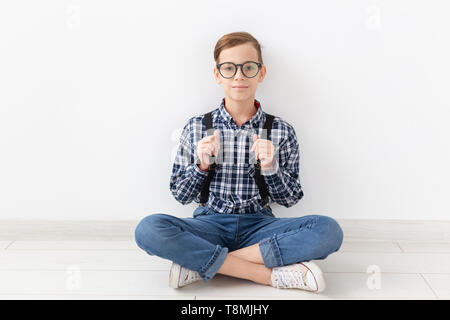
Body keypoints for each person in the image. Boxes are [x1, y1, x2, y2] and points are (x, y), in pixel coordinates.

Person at [135, 31, 343, 293]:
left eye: (248, 67)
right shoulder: (197, 127)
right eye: (229, 68)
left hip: (260, 226)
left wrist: (271, 168)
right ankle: (266, 275)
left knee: (328, 230)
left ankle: (200, 263)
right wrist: (200, 166)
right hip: (209, 224)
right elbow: (179, 194)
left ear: (261, 73)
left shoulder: (281, 130)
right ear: (217, 74)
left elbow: (291, 199)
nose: (239, 76)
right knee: (149, 229)